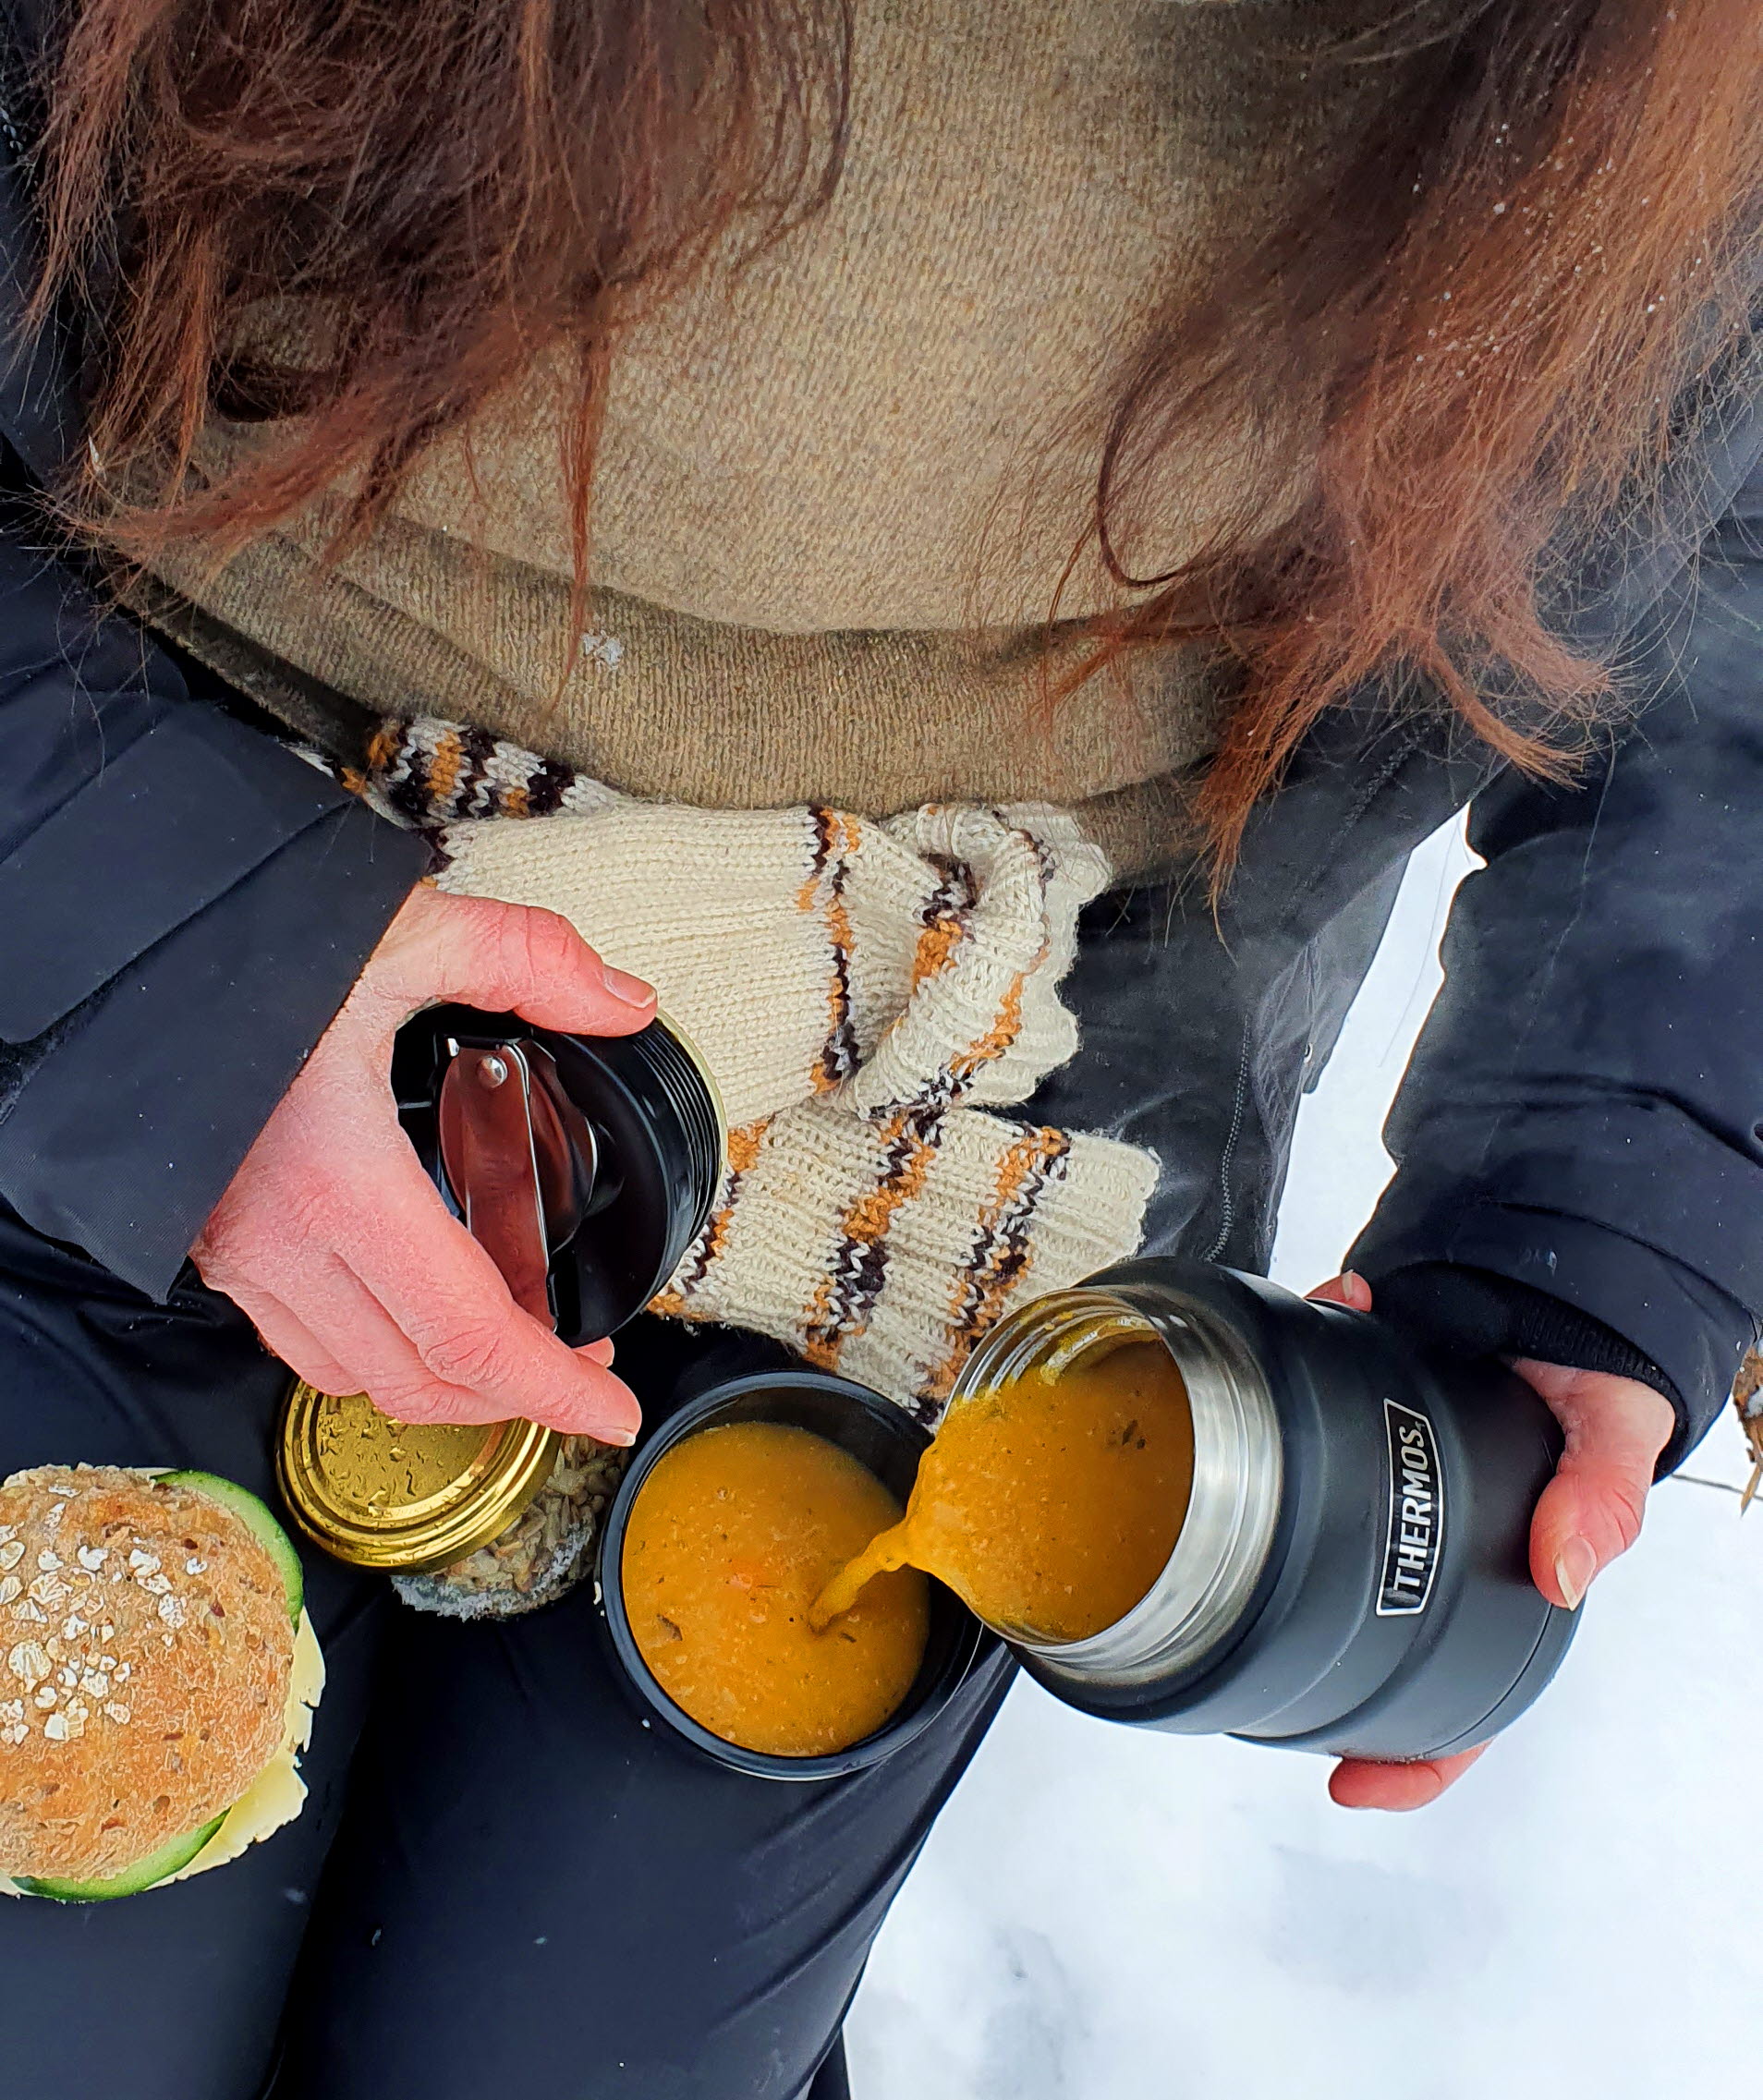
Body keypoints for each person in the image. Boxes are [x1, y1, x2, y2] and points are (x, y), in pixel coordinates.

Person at [0, 0, 1756, 2092]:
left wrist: (1594, 1199)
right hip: (167, 824)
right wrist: (159, 957)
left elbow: (1727, 537)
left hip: (991, 1116)